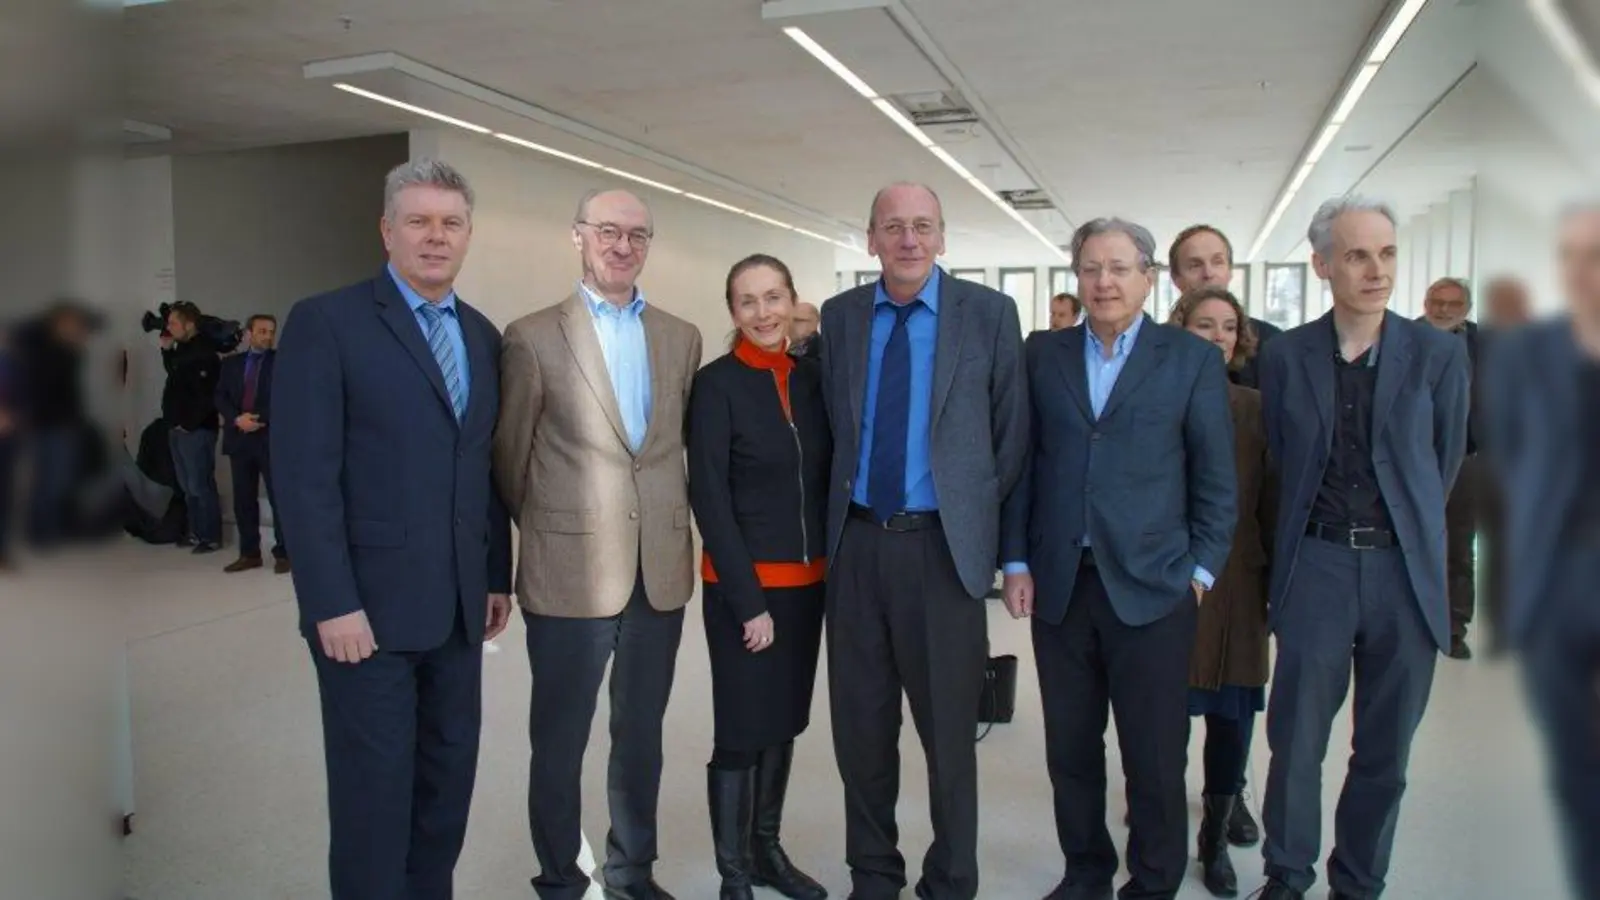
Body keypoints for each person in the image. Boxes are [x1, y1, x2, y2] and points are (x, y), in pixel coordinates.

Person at [270, 157, 513, 900]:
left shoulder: (480, 335)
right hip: (365, 615)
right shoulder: (327, 322)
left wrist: (495, 574)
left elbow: (484, 465)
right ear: (387, 230)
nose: (435, 237)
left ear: (469, 234)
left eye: (450, 223)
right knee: (375, 798)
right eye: (418, 221)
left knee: (445, 789)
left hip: (458, 612)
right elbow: (302, 479)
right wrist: (330, 603)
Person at [1001, 218, 1236, 900]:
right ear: (1076, 278)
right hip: (1061, 588)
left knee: (1155, 753)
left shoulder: (1188, 360)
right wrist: (1016, 560)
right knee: (1071, 749)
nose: (1104, 282)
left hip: (1155, 588)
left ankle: (1155, 878)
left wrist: (1197, 575)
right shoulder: (1042, 354)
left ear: (1148, 277)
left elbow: (1216, 480)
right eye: (1091, 269)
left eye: (1119, 268)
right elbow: (1024, 466)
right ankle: (1085, 871)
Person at [815, 182, 1027, 900]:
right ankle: (873, 877)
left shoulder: (989, 315)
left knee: (948, 740)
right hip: (857, 550)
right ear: (870, 239)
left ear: (942, 237)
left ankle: (951, 881)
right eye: (893, 227)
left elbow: (1011, 440)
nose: (909, 240)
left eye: (923, 227)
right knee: (861, 735)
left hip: (942, 554)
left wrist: (992, 539)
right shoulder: (842, 319)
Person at [1253, 197, 1469, 900]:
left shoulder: (1438, 354)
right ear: (1321, 265)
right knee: (1296, 744)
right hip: (1316, 564)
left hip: (1402, 573)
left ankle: (1359, 882)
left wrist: (1401, 533)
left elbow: (1442, 464)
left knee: (1384, 750)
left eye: (1386, 253)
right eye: (1356, 255)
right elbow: (1284, 458)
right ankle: (1287, 876)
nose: (1376, 270)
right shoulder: (1287, 356)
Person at [493, 187, 703, 900]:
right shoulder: (530, 335)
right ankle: (559, 878)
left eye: (637, 235)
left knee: (640, 736)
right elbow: (511, 460)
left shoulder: (681, 336)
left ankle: (630, 872)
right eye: (607, 231)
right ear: (577, 236)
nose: (622, 245)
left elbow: (667, 451)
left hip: (659, 575)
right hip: (568, 573)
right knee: (559, 740)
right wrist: (565, 529)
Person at [687, 254, 830, 900]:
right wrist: (749, 604)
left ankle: (767, 850)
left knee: (784, 722)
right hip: (746, 592)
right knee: (741, 730)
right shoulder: (716, 385)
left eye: (774, 297)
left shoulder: (810, 380)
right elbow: (709, 497)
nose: (764, 312)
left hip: (808, 589)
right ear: (733, 312)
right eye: (748, 301)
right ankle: (734, 875)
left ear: (793, 301)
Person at [1481, 199, 1600, 900]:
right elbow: (1513, 470)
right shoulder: (1528, 354)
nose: (1583, 272)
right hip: (1554, 583)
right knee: (1574, 772)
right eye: (1571, 256)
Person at [1165, 286, 1275, 898]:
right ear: (1179, 329)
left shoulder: (1256, 407)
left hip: (1238, 582)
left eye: (1228, 327)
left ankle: (1214, 835)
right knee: (1166, 715)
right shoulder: (1156, 401)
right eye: (1203, 324)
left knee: (1233, 718)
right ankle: (1161, 831)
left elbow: (1273, 499)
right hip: (1172, 581)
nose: (1216, 336)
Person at [1420, 276, 1481, 658]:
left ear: (1467, 308)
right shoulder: (1403, 338)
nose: (1442, 310)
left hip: (1466, 460)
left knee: (1458, 547)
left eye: (1452, 304)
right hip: (1413, 459)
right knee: (1413, 542)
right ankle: (1414, 619)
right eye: (1435, 302)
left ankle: (1454, 627)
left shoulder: (1486, 345)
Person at [1168, 224, 1282, 392]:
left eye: (1217, 262)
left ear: (1230, 271)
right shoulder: (1157, 348)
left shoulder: (1271, 343)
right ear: (1176, 279)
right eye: (1195, 265)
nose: (1208, 273)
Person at [215, 314, 289, 574]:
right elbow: (220, 396)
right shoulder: (231, 364)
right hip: (239, 438)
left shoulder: (283, 362)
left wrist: (259, 419)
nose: (267, 336)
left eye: (271, 332)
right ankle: (249, 553)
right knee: (243, 498)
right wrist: (237, 419)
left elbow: (289, 398)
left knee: (279, 498)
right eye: (262, 331)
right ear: (249, 333)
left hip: (269, 438)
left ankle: (284, 553)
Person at [161, 301, 223, 553]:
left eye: (174, 323)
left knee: (200, 484)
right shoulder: (183, 349)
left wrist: (188, 424)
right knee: (187, 487)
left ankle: (210, 536)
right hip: (177, 427)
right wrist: (166, 351)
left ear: (189, 324)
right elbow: (176, 375)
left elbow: (208, 396)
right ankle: (196, 532)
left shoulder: (204, 353)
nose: (169, 327)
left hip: (196, 429)